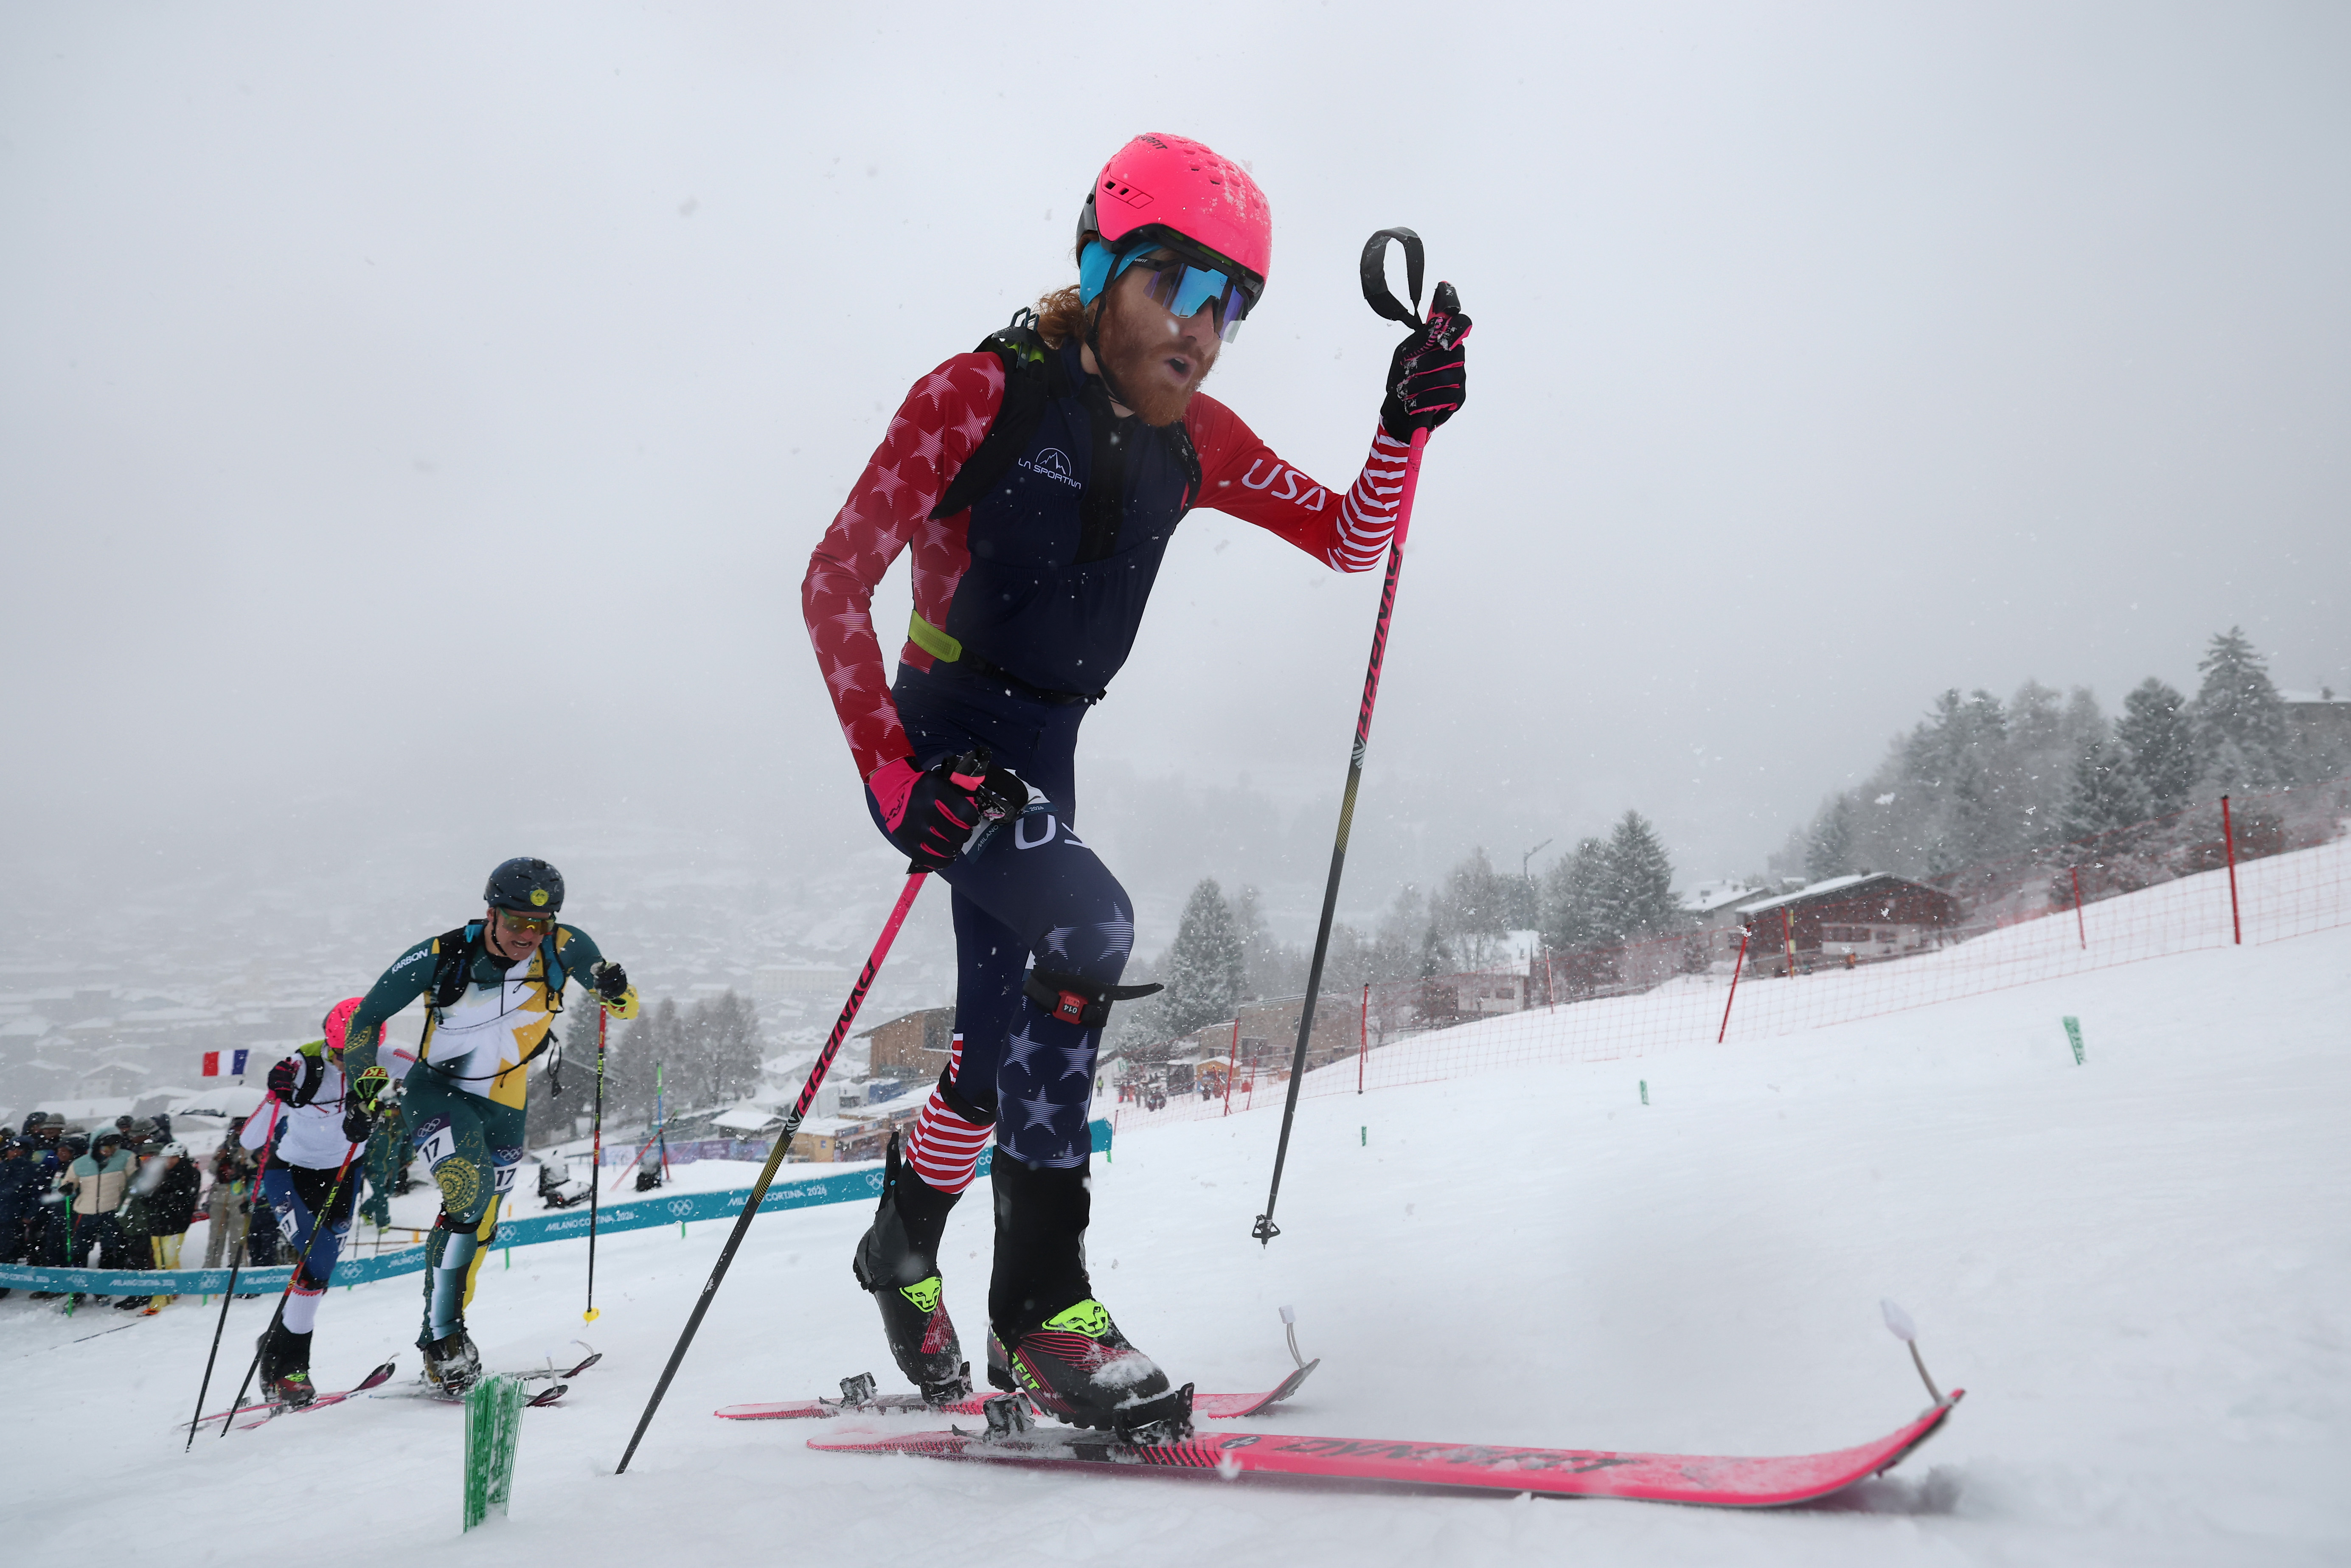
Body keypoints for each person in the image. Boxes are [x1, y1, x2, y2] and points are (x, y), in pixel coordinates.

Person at [803, 132, 1470, 1436]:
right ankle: (1042, 1304)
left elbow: (1348, 538)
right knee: (1090, 925)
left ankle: (899, 1242)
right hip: (945, 733)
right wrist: (890, 769)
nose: (1205, 330)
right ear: (1103, 269)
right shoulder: (975, 394)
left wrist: (1401, 420)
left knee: (990, 1060)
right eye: (1179, 287)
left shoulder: (1196, 440)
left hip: (1045, 751)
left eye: (1234, 308)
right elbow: (836, 574)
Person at [343, 857, 638, 1393]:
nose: (529, 934)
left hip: (506, 1102)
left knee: (479, 1227)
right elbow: (366, 1018)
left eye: (540, 925)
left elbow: (624, 1008)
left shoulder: (567, 946)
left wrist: (616, 988)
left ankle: (446, 1332)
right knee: (467, 1191)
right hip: (438, 1092)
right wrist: (362, 1082)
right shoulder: (443, 953)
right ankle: (443, 1340)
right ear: (490, 912)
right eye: (517, 921)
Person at [239, 999, 389, 1405]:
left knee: (315, 1275)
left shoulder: (386, 1060)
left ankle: (276, 1354)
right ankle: (290, 1368)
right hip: (290, 1174)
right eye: (340, 1055)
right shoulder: (303, 1067)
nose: (346, 1064)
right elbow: (250, 1141)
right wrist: (276, 1096)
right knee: (318, 1264)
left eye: (356, 1056)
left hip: (345, 1174)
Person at [125, 1141, 201, 1312]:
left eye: (172, 1158)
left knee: (167, 1258)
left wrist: (160, 1197)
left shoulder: (190, 1174)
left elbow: (183, 1199)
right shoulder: (161, 1174)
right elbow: (149, 1196)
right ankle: (173, 1287)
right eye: (166, 1158)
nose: (168, 1162)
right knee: (161, 1258)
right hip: (157, 1222)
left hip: (176, 1223)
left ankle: (162, 1297)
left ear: (181, 1158)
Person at [201, 1123, 260, 1270]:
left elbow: (256, 1167)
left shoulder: (251, 1145)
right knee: (216, 1237)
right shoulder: (224, 1146)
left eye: (242, 1127)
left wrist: (243, 1166)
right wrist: (219, 1159)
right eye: (236, 1127)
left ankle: (238, 1268)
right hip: (219, 1195)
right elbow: (212, 1170)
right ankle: (211, 1268)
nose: (238, 1131)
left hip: (240, 1196)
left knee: (238, 1237)